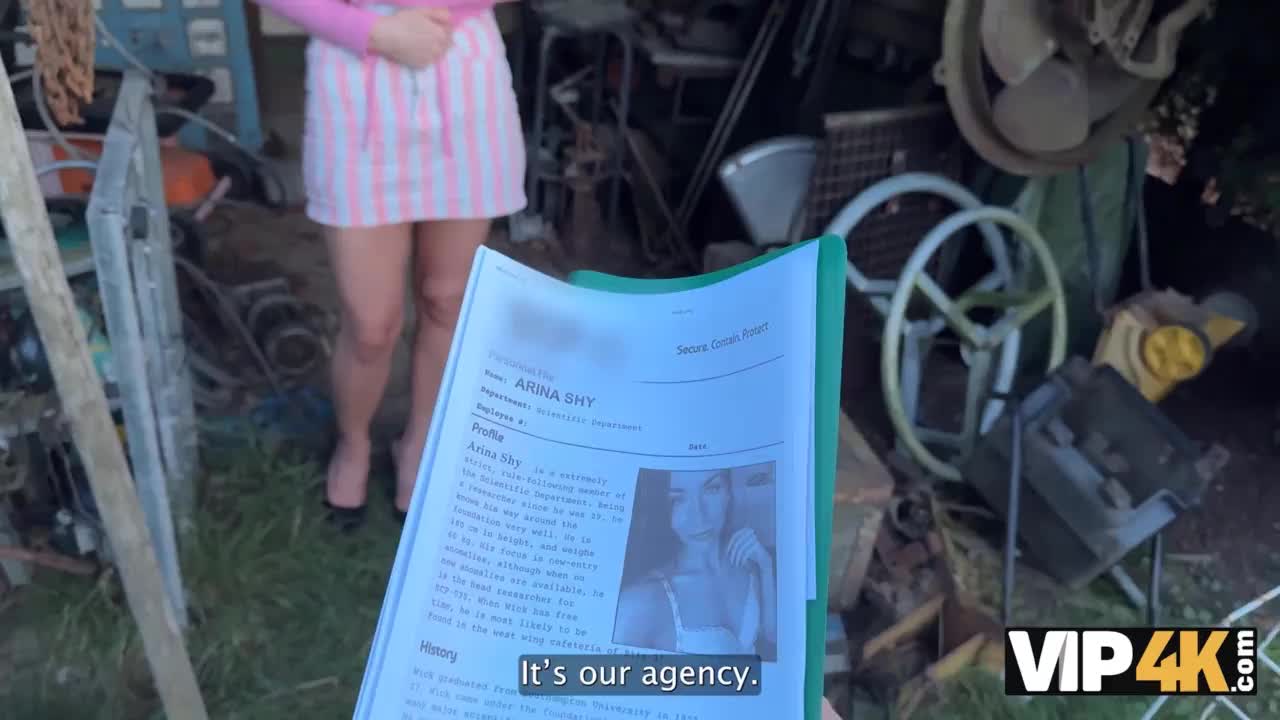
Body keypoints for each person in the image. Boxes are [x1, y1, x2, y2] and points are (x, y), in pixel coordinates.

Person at [252, 0, 526, 529]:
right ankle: (353, 443)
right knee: (371, 325)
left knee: (446, 301)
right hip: (354, 87)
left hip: (464, 85)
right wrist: (374, 31)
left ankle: (418, 444)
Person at [613, 469, 779, 659]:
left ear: (728, 493)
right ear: (662, 507)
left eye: (712, 489)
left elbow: (772, 635)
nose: (699, 516)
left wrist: (766, 567)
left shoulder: (748, 567)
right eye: (678, 500)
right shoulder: (641, 600)